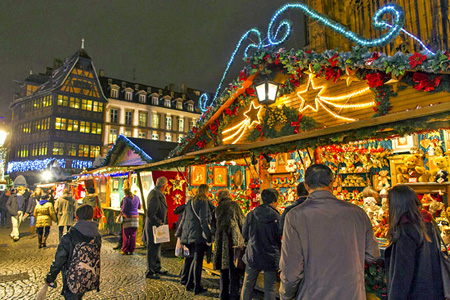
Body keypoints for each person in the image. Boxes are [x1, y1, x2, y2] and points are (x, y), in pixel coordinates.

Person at [279, 164, 380, 300]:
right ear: (332, 183)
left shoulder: (295, 216)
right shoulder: (358, 213)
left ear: (306, 185)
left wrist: (286, 295)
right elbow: (373, 254)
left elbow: (291, 270)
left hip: (312, 294)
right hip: (352, 293)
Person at [385, 185, 444, 300]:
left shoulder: (406, 230)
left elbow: (402, 274)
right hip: (433, 291)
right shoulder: (429, 223)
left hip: (415, 294)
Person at [46, 204, 102, 299]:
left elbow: (59, 259)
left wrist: (51, 276)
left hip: (72, 278)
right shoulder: (97, 236)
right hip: (88, 276)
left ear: (76, 217)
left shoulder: (69, 236)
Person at [241, 188, 281, 300]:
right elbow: (280, 236)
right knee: (270, 288)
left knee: (248, 285)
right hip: (271, 256)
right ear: (274, 200)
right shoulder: (277, 217)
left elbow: (244, 234)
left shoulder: (251, 214)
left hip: (253, 253)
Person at [180, 183, 212, 295]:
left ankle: (189, 284)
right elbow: (203, 220)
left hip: (189, 234)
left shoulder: (190, 202)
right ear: (206, 191)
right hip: (198, 235)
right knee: (198, 262)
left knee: (194, 260)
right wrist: (209, 236)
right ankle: (196, 286)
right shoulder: (203, 202)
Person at [213, 189, 245, 300]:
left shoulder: (217, 208)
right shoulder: (234, 204)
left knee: (223, 267)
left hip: (221, 240)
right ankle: (234, 295)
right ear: (229, 195)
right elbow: (242, 221)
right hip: (233, 238)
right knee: (234, 267)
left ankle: (223, 294)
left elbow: (213, 225)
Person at [145, 176, 169, 279]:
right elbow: (150, 213)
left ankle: (157, 267)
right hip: (154, 226)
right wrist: (159, 221)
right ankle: (151, 270)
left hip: (157, 225)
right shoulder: (155, 194)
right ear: (164, 186)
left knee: (157, 247)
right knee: (153, 248)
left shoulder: (157, 193)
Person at [121, 188, 141, 255]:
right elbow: (139, 207)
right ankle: (132, 250)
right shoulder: (137, 197)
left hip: (128, 218)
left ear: (125, 192)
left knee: (126, 235)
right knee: (133, 235)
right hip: (135, 218)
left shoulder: (126, 199)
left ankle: (125, 250)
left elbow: (123, 209)